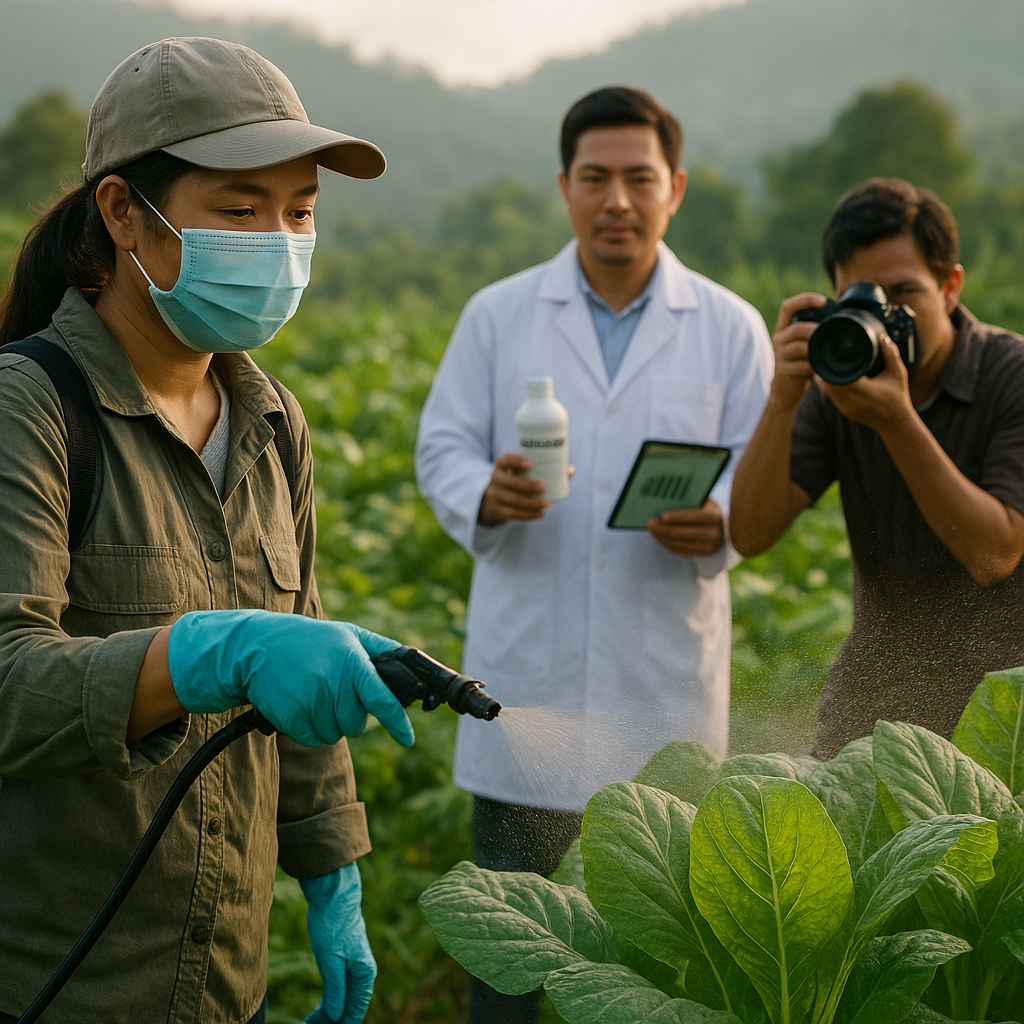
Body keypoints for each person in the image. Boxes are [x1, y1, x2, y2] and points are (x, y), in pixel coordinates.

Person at [0, 37, 417, 1024]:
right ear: (121, 212)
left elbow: (298, 661)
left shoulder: (273, 421)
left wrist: (333, 874)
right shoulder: (33, 405)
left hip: (227, 980)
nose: (277, 240)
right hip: (60, 982)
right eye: (238, 210)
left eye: (300, 211)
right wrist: (201, 653)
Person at [415, 86, 772, 1023]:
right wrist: (481, 494)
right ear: (565, 188)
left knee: (657, 972)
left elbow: (766, 477)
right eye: (596, 178)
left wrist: (724, 518)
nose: (618, 199)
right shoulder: (498, 315)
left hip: (661, 697)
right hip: (522, 687)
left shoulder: (730, 327)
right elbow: (440, 447)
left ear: (676, 188)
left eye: (639, 178)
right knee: (511, 959)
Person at [730, 177, 1024, 759]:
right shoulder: (838, 386)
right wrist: (783, 398)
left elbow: (995, 553)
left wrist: (898, 421)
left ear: (951, 286)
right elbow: (751, 532)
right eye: (866, 300)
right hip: (878, 701)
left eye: (905, 293)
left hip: (1007, 710)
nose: (888, 318)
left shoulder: (1010, 375)